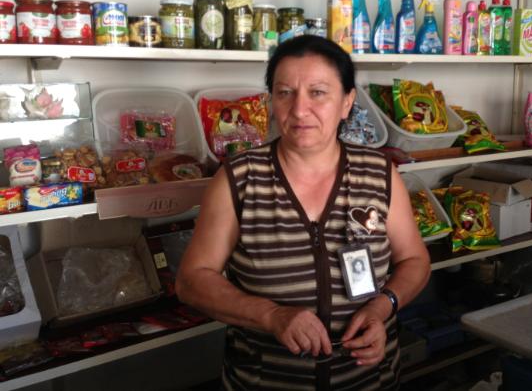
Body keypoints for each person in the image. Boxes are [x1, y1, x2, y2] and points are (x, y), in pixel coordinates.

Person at [176, 35, 431, 390]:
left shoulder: (379, 174)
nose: (299, 109)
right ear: (271, 101)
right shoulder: (238, 178)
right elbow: (191, 280)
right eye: (285, 93)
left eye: (318, 92)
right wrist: (271, 316)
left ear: (347, 102)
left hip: (369, 381)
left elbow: (415, 261)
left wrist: (383, 306)